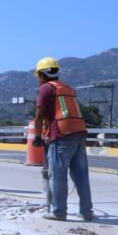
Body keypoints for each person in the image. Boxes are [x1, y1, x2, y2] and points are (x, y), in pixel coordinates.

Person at [32, 57, 94, 221]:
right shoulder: (67, 88)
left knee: (58, 176)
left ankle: (58, 212)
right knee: (81, 175)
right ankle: (86, 211)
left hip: (61, 135)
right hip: (79, 133)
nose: (38, 79)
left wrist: (37, 137)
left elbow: (38, 117)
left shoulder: (45, 89)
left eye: (38, 75)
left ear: (42, 75)